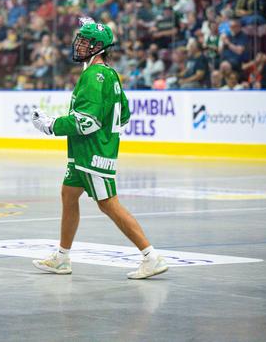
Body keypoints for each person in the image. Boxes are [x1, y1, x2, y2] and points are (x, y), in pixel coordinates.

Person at [30, 18, 168, 280]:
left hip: (92, 154)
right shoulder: (110, 74)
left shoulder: (94, 76)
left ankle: (151, 257)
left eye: (85, 41)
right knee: (69, 194)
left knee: (108, 204)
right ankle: (62, 257)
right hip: (85, 152)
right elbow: (124, 114)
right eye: (80, 39)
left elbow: (87, 121)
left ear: (98, 47)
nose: (79, 44)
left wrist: (51, 125)